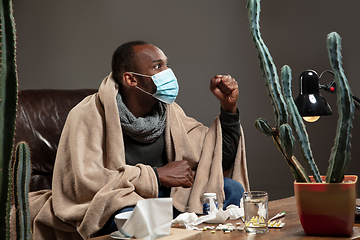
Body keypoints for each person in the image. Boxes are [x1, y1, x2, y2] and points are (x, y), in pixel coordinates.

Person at [28, 40, 249, 240]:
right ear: (131, 79)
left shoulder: (169, 112)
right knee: (135, 218)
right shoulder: (87, 114)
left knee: (232, 190)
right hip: (120, 202)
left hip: (166, 200)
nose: (168, 72)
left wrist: (228, 108)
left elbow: (217, 159)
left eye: (166, 64)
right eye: (157, 66)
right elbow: (85, 182)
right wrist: (156, 175)